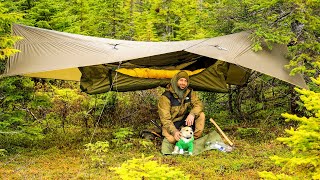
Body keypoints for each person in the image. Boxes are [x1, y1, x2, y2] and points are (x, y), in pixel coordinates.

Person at [158, 71, 205, 144]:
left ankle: (193, 139)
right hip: (171, 123)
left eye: (185, 81)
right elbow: (165, 119)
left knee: (201, 115)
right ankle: (175, 135)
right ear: (176, 81)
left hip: (183, 119)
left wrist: (192, 114)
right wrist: (174, 131)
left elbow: (198, 104)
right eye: (181, 80)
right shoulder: (165, 97)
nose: (183, 83)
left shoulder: (189, 92)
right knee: (172, 140)